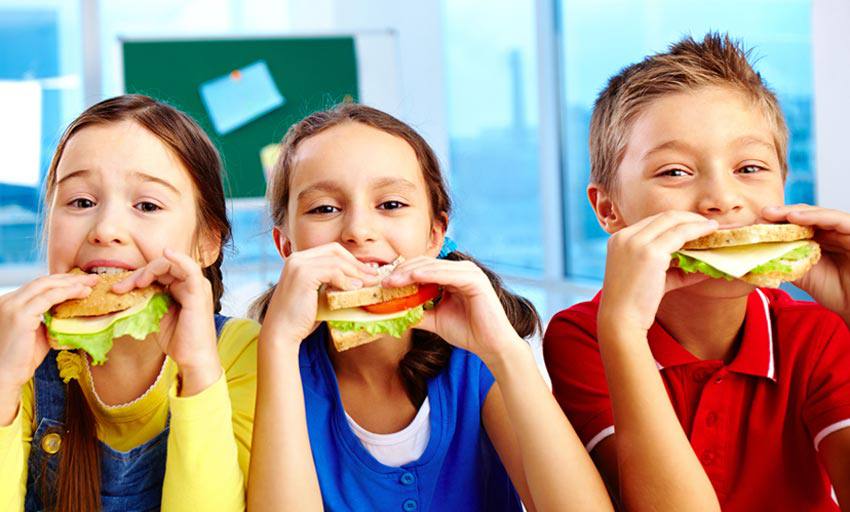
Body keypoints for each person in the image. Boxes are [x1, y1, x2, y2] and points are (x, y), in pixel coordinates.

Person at [247, 103, 612, 511]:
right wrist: (277, 344)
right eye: (325, 209)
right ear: (286, 246)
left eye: (391, 205)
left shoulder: (474, 362)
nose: (359, 232)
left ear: (434, 235)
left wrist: (507, 352)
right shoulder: (263, 372)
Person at [544, 33, 850, 511]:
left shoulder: (818, 334)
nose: (721, 199)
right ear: (608, 210)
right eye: (674, 172)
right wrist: (623, 332)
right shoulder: (586, 337)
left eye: (749, 168)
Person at [0, 95, 258, 512]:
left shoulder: (242, 352)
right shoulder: (16, 352)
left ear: (207, 242)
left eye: (147, 205)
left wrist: (198, 372)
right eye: (81, 202)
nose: (106, 229)